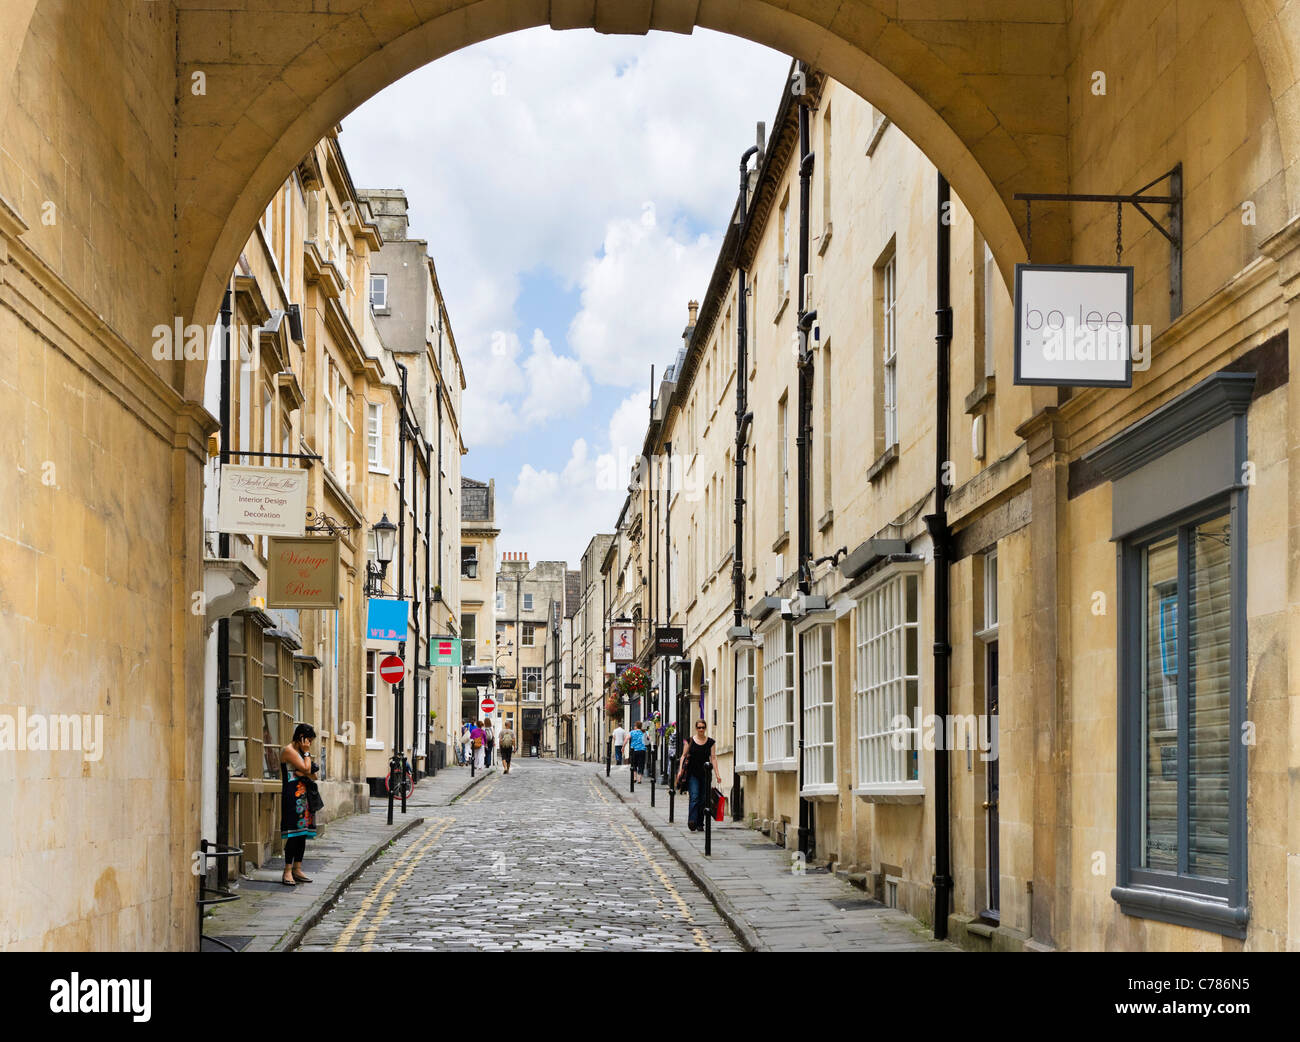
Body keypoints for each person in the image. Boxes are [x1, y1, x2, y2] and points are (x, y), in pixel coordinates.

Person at [279, 723, 319, 885]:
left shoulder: (301, 752)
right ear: (301, 737)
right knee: (293, 834)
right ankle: (287, 871)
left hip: (305, 798)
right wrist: (307, 755)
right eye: (308, 740)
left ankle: (297, 868)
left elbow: (314, 775)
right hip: (292, 797)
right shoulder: (289, 750)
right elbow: (306, 768)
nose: (309, 744)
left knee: (302, 834)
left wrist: (304, 770)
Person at [675, 719, 721, 832]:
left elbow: (713, 758)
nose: (701, 730)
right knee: (694, 797)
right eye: (699, 727)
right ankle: (692, 821)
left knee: (703, 800)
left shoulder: (711, 742)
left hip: (705, 774)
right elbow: (683, 756)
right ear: (696, 728)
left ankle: (700, 823)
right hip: (692, 774)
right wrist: (680, 770)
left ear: (705, 728)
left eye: (703, 727)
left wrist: (717, 774)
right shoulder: (690, 741)